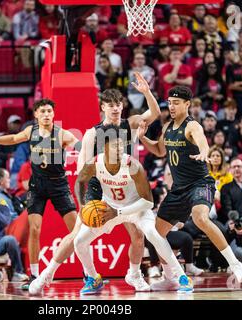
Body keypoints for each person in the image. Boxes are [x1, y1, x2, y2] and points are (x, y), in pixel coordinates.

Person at [28, 72, 161, 295]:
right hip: (100, 190)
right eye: (110, 105)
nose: (115, 108)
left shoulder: (131, 124)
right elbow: (82, 173)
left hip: (126, 189)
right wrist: (85, 203)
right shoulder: (92, 134)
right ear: (103, 108)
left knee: (138, 236)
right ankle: (48, 275)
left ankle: (135, 275)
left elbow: (155, 113)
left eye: (118, 104)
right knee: (77, 236)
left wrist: (147, 92)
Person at [138, 85, 242, 287]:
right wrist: (142, 138)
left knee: (200, 218)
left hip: (200, 183)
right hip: (178, 189)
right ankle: (170, 276)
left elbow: (202, 142)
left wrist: (204, 152)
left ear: (187, 104)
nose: (171, 107)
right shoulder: (167, 128)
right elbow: (159, 150)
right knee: (156, 234)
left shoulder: (193, 126)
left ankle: (236, 265)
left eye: (176, 103)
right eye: (170, 103)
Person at [73, 125, 192, 294]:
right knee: (79, 241)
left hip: (137, 208)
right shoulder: (94, 163)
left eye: (122, 145)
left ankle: (180, 276)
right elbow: (80, 181)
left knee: (153, 234)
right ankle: (93, 278)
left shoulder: (133, 165)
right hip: (109, 207)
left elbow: (149, 202)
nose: (120, 148)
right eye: (115, 145)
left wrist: (120, 212)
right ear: (104, 147)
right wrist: (83, 205)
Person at [0, 98, 80, 288]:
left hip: (59, 185)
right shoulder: (30, 132)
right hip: (37, 186)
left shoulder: (61, 134)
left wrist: (94, 150)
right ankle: (34, 275)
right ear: (36, 115)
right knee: (35, 229)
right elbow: (13, 139)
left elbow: (79, 145)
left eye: (49, 111)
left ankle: (89, 274)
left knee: (77, 231)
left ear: (54, 114)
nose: (46, 115)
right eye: (42, 112)